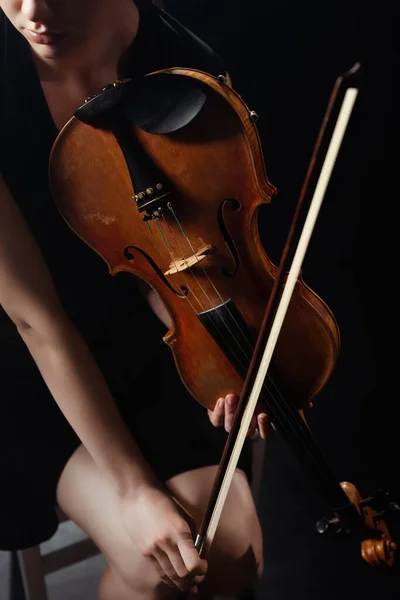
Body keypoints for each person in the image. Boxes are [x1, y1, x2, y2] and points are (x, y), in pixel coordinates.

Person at [0, 1, 270, 598]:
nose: (34, 14)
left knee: (231, 557)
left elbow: (176, 260)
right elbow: (33, 317)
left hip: (143, 333)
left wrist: (222, 357)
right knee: (159, 572)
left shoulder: (182, 65)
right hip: (27, 364)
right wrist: (134, 490)